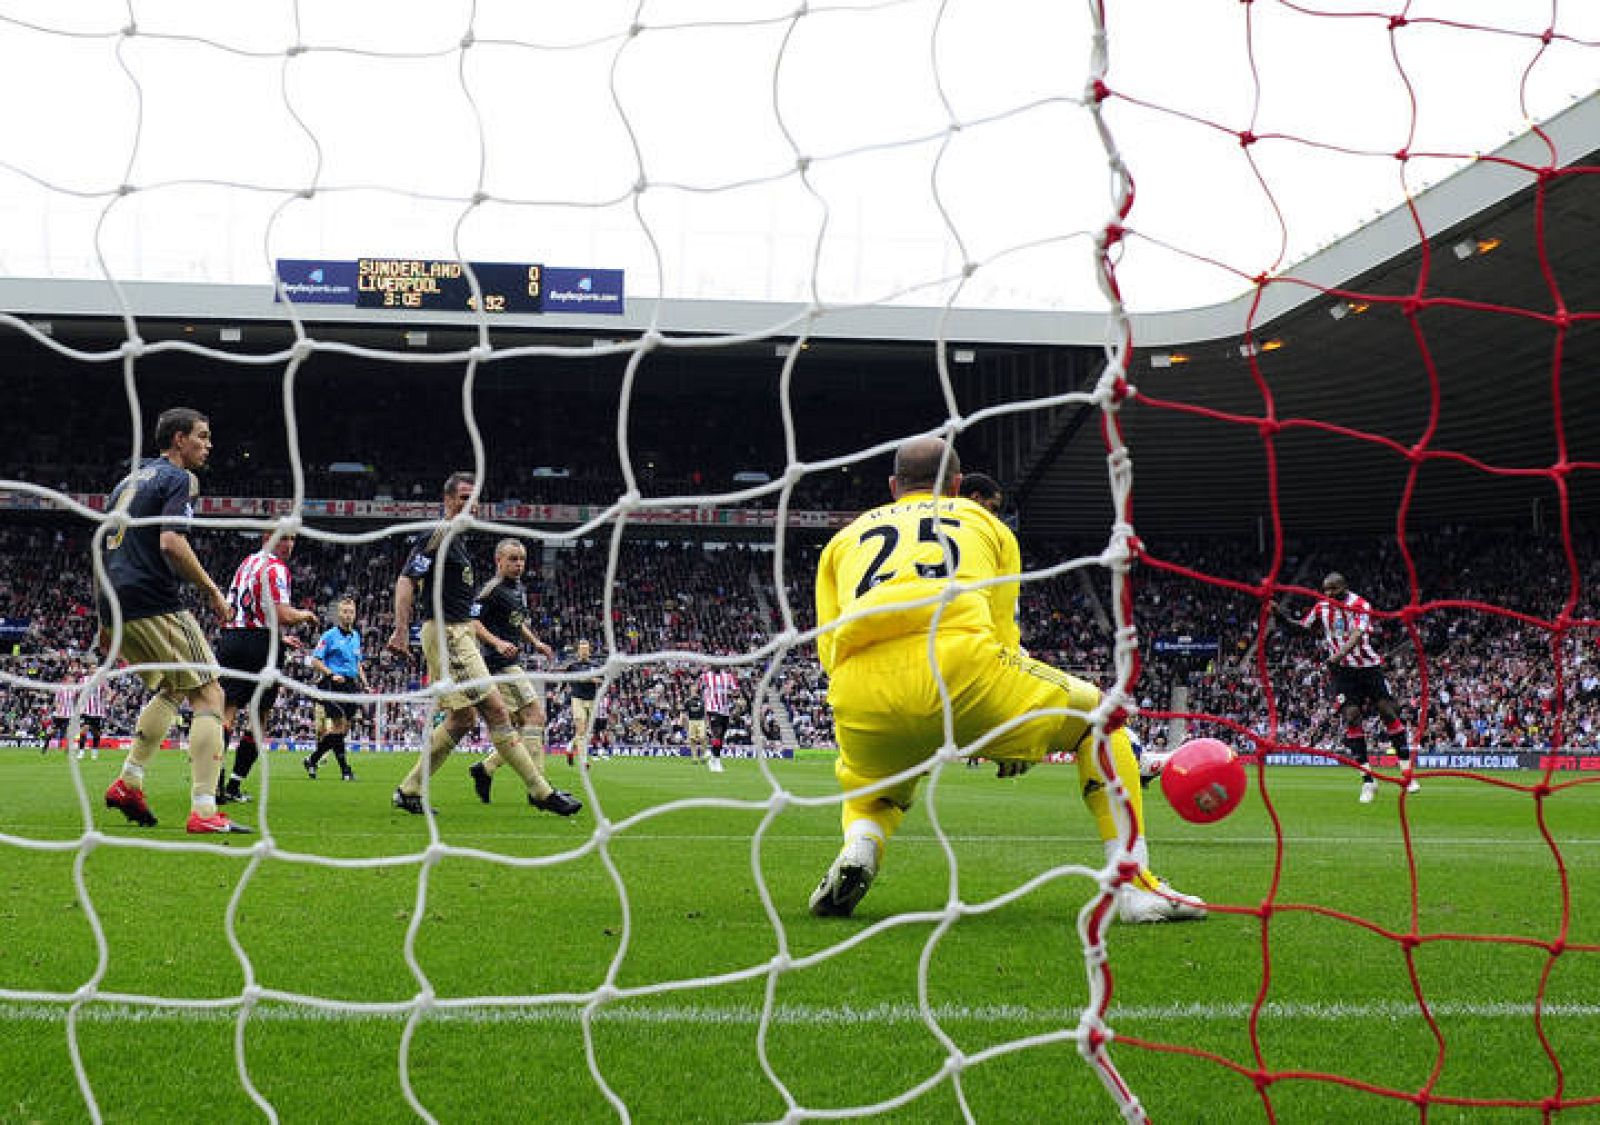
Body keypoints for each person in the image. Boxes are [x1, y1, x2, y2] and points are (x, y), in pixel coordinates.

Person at [808, 435, 1203, 923]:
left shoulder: (841, 542)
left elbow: (828, 646)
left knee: (873, 788)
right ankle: (1133, 886)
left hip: (860, 692)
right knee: (1102, 718)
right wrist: (1005, 733)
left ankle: (863, 846)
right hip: (962, 668)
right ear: (957, 484)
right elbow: (1001, 635)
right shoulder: (984, 523)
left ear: (893, 486)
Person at [383, 472, 580, 817]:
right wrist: (400, 631)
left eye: (473, 498)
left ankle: (409, 789)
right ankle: (541, 791)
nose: (469, 504)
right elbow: (405, 580)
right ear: (447, 501)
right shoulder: (437, 535)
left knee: (461, 720)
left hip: (459, 635)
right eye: (462, 497)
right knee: (498, 711)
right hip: (450, 634)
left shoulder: (458, 542)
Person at [96, 406, 250, 835]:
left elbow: (102, 544)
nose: (209, 444)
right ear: (179, 439)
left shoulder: (128, 481)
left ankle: (130, 781)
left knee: (172, 687)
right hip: (151, 597)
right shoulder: (178, 478)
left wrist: (103, 618)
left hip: (115, 598)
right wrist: (214, 592)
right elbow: (171, 542)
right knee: (209, 692)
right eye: (202, 436)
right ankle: (204, 810)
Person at [1275, 571, 1417, 803]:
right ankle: (1368, 781)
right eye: (1326, 590)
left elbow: (1358, 635)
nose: (1329, 594)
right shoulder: (1321, 607)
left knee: (1388, 712)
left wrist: (1338, 654)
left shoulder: (1361, 604)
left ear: (1344, 587)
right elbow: (1301, 628)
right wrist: (1280, 616)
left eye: (1333, 589)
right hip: (1342, 672)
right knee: (1351, 717)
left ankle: (1407, 775)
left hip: (1368, 667)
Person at [215, 531, 316, 803]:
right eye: (283, 538)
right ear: (267, 537)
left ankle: (215, 783)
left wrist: (278, 636)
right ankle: (234, 785)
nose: (289, 545)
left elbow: (239, 608)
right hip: (260, 645)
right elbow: (283, 614)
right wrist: (305, 615)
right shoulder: (277, 568)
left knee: (226, 712)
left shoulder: (245, 564)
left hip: (232, 638)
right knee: (259, 716)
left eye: (293, 539)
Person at [467, 538, 558, 803]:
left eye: (521, 560)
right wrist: (496, 642)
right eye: (512, 559)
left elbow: (516, 623)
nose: (518, 565)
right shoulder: (491, 590)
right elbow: (471, 621)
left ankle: (485, 769)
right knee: (536, 716)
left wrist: (536, 643)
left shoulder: (517, 588)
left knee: (520, 726)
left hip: (510, 662)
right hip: (498, 664)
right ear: (499, 561)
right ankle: (539, 787)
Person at [304, 595, 369, 781]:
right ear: (339, 614)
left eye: (351, 612)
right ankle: (345, 771)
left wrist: (365, 683)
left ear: (355, 615)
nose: (348, 615)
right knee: (339, 725)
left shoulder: (356, 636)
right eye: (345, 612)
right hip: (333, 684)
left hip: (350, 685)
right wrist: (331, 674)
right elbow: (315, 660)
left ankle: (312, 759)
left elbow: (358, 664)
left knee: (344, 728)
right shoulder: (329, 636)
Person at [562, 638, 603, 767]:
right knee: (580, 731)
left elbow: (602, 680)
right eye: (582, 649)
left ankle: (570, 746)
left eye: (586, 649)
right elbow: (570, 679)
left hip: (592, 700)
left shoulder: (596, 665)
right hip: (577, 699)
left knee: (586, 732)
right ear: (578, 651)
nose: (584, 651)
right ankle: (584, 761)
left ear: (589, 651)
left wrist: (596, 680)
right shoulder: (573, 666)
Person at [698, 663, 740, 774]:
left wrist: (731, 694)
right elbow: (697, 688)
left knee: (721, 737)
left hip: (725, 710)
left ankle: (712, 756)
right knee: (717, 733)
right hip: (712, 709)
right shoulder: (705, 676)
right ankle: (717, 760)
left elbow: (736, 691)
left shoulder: (728, 677)